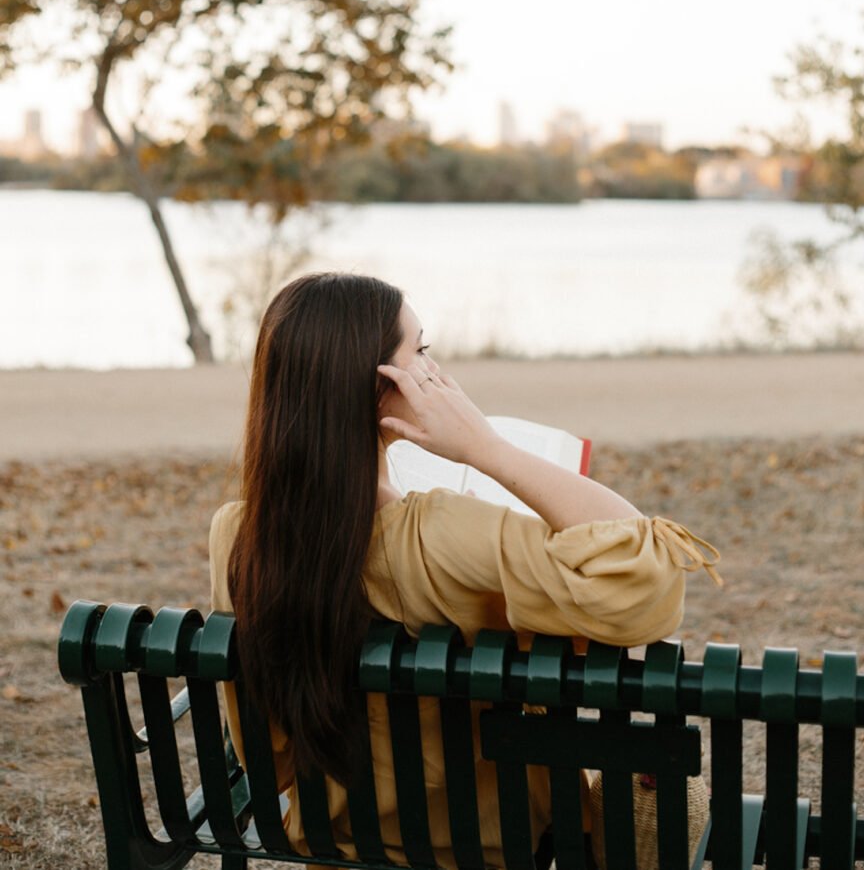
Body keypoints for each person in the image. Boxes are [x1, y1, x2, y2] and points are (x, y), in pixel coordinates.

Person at [209, 271, 720, 869]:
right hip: (494, 846)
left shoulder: (237, 536)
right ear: (380, 388)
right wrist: (486, 448)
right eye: (421, 351)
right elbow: (648, 573)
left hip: (336, 844)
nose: (437, 371)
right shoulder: (442, 539)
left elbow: (267, 762)